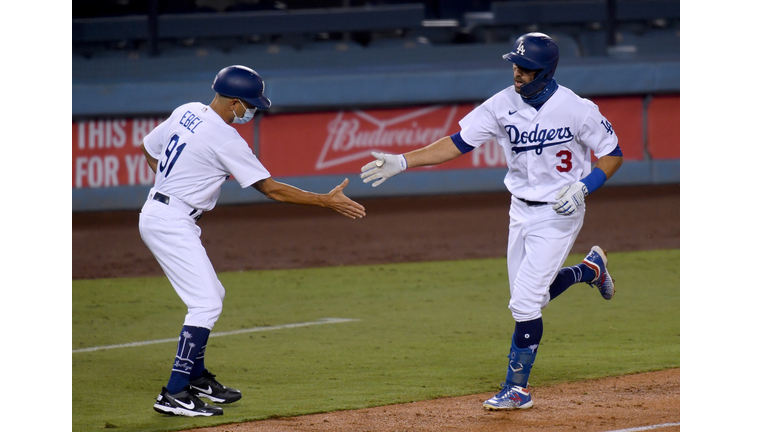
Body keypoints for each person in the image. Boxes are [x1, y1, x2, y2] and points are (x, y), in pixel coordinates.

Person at [360, 32, 623, 410]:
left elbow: (613, 154)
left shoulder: (578, 109)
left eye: (526, 68)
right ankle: (589, 270)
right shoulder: (500, 105)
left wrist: (584, 187)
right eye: (515, 65)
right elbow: (456, 142)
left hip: (560, 212)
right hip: (519, 210)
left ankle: (518, 389)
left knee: (525, 304)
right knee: (535, 296)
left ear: (546, 72)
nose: (517, 73)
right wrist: (403, 161)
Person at [139, 65, 366, 417]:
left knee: (214, 295)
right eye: (250, 104)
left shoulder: (186, 111)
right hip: (170, 221)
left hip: (162, 212)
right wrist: (325, 200)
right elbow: (271, 189)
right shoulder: (226, 137)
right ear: (232, 103)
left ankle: (196, 379)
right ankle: (175, 392)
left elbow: (148, 147)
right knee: (206, 305)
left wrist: (172, 186)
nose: (253, 111)